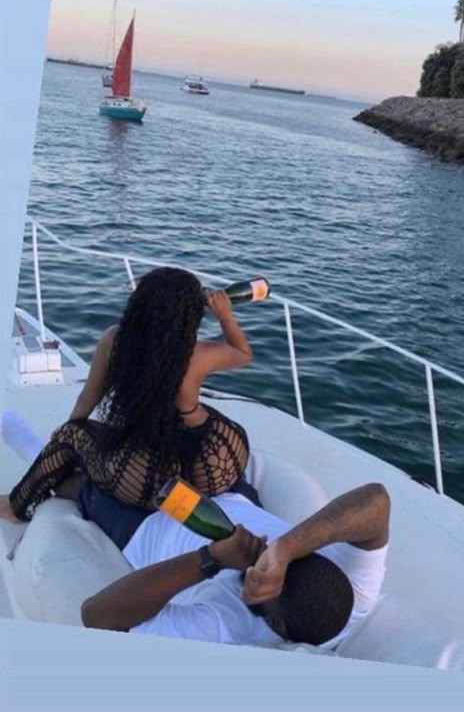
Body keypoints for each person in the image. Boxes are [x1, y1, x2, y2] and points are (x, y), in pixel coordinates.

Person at [0, 267, 255, 531]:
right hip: (215, 467)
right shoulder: (197, 353)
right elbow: (242, 353)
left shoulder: (115, 341)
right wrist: (225, 315)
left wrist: (69, 432)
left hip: (151, 479)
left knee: (70, 439)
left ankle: (16, 507)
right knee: (194, 412)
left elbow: (90, 398)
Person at [81, 482, 390, 649]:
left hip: (143, 525)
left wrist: (212, 558)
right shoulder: (355, 596)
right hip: (230, 493)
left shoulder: (229, 628)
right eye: (282, 564)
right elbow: (377, 499)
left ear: (278, 626)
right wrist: (287, 547)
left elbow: (95, 614)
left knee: (82, 472)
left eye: (269, 580)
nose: (264, 561)